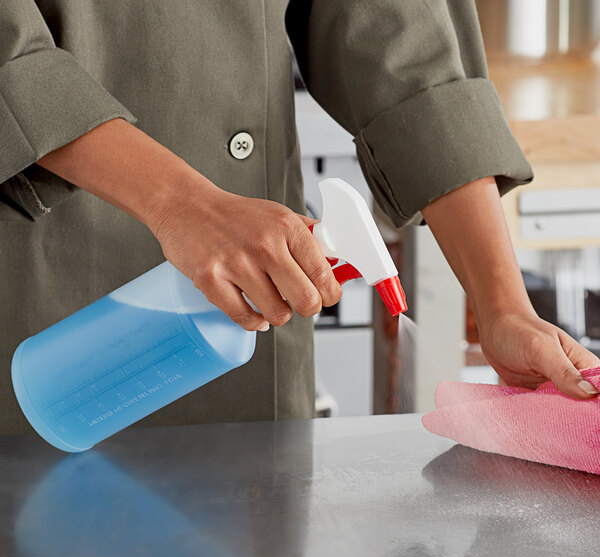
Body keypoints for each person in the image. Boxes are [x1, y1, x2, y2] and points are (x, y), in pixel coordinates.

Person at [1, 0, 598, 436]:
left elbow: (404, 37)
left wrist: (504, 308)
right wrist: (183, 204)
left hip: (250, 342)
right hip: (45, 281)